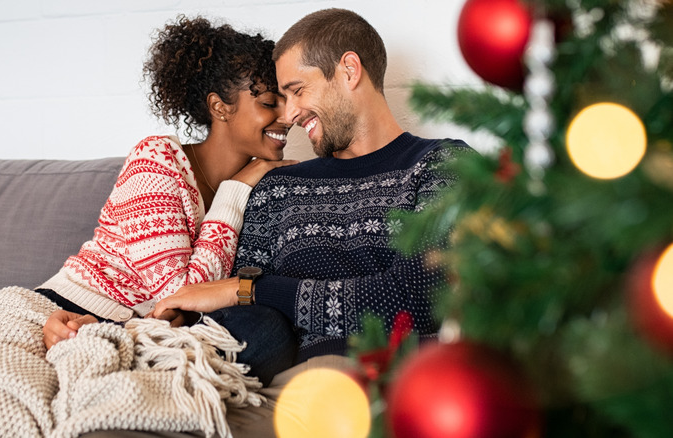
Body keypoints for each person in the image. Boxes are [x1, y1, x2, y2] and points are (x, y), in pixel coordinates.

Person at [152, 8, 473, 364]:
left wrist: (255, 290)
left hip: (412, 376)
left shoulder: (441, 164)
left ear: (349, 71)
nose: (288, 115)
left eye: (297, 91)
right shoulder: (278, 188)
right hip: (298, 387)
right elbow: (237, 312)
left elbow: (420, 297)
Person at [39, 15, 298, 384]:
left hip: (142, 327)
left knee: (267, 331)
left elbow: (192, 305)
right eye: (271, 102)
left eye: (288, 102)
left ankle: (137, 365)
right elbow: (182, 294)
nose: (288, 117)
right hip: (72, 309)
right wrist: (235, 189)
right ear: (220, 107)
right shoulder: (156, 160)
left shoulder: (268, 183)